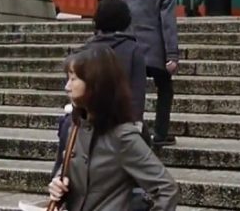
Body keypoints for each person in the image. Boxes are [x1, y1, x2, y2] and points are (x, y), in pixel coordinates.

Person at [48, 47, 178, 211]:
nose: (67, 86)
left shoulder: (122, 136)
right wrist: (58, 184)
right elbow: (68, 172)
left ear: (95, 84)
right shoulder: (75, 127)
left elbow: (166, 189)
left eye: (73, 79)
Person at [119, 0, 179, 147]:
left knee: (134, 90)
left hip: (131, 47)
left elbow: (123, 16)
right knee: (165, 88)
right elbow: (168, 22)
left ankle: (134, 131)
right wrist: (172, 54)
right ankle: (161, 133)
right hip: (156, 49)